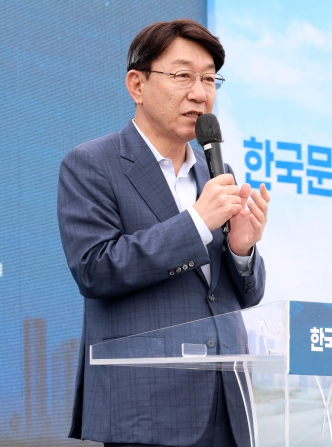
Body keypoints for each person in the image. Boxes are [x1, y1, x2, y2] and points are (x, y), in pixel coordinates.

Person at [57, 19, 270, 447]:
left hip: (228, 405)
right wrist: (196, 223)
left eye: (209, 79)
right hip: (146, 408)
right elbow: (95, 269)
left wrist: (241, 251)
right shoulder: (93, 164)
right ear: (137, 85)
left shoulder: (217, 172)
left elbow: (240, 297)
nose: (200, 93)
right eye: (183, 75)